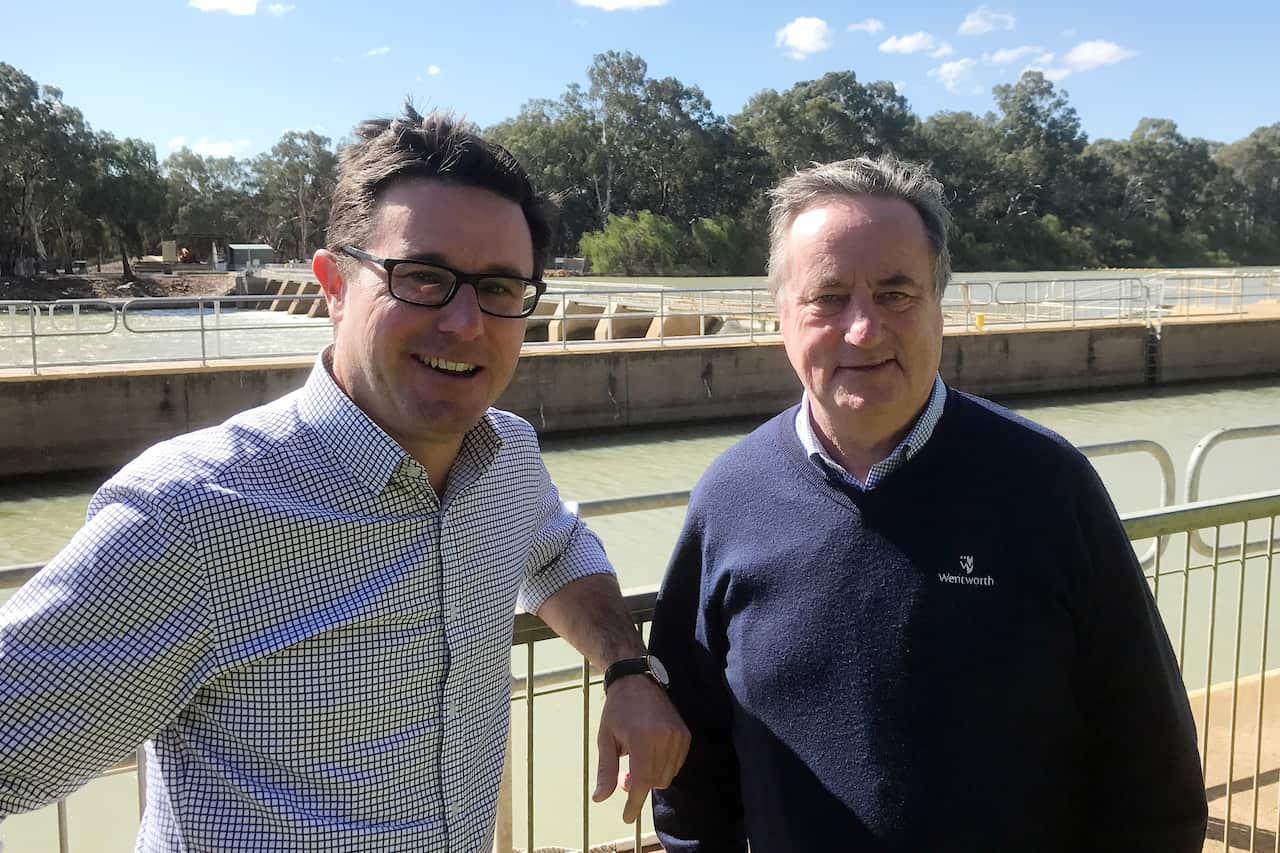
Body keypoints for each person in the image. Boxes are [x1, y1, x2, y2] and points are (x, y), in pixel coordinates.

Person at [0, 106, 688, 852]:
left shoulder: (508, 457)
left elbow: (557, 551)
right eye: (422, 277)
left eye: (497, 288)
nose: (465, 323)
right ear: (332, 284)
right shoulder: (192, 512)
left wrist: (627, 667)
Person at [647, 155, 1207, 852]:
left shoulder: (1048, 486)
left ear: (941, 303)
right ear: (782, 314)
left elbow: (1154, 773)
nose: (862, 329)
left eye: (895, 293)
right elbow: (692, 776)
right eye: (827, 297)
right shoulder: (730, 496)